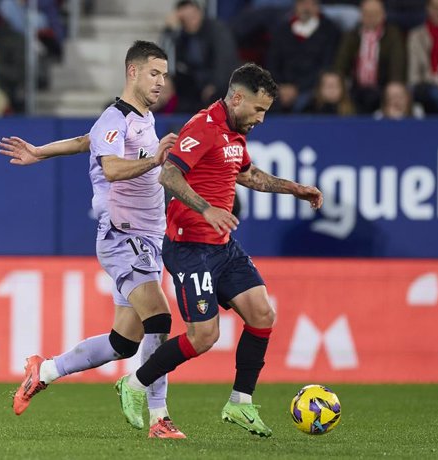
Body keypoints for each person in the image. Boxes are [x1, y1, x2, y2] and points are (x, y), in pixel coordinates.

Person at [114, 63, 323, 437]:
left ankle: (240, 403)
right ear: (237, 98)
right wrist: (206, 208)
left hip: (221, 246)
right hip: (189, 246)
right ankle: (133, 383)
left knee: (262, 314)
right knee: (204, 336)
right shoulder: (203, 126)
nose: (260, 118)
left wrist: (295, 188)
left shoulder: (234, 132)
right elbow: (169, 174)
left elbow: (248, 174)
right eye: (258, 110)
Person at [1, 41, 187, 439]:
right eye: (154, 73)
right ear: (132, 72)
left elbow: (86, 141)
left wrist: (40, 152)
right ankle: (159, 417)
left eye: (165, 75)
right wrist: (154, 161)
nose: (161, 82)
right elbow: (113, 167)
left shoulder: (139, 118)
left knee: (124, 341)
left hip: (148, 238)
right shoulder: (114, 118)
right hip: (123, 234)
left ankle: (44, 370)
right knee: (160, 318)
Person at [160, 0, 239, 112]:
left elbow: (224, 61)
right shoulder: (180, 37)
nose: (191, 21)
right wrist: (168, 32)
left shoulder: (216, 30)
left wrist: (214, 85)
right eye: (185, 19)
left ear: (200, 13)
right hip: (194, 87)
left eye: (193, 16)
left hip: (219, 85)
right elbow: (165, 59)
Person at [266, 0, 341, 113]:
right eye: (302, 3)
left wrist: (297, 88)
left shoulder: (330, 31)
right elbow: (272, 62)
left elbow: (326, 65)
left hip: (312, 87)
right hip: (282, 88)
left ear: (318, 7)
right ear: (295, 6)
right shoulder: (282, 30)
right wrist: (280, 86)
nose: (306, 8)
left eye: (311, 3)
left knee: (305, 104)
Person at [334, 0, 406, 113]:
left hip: (382, 88)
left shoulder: (393, 35)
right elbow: (341, 64)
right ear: (361, 16)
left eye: (375, 14)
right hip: (355, 89)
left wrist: (393, 85)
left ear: (383, 15)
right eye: (367, 14)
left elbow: (397, 64)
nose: (371, 17)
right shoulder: (351, 36)